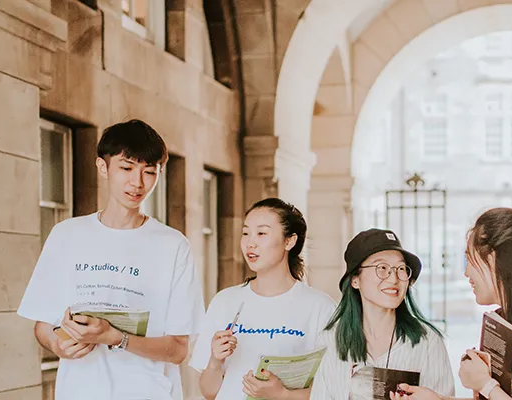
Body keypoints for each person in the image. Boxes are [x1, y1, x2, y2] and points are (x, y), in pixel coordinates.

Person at [17, 119, 205, 400]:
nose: (137, 182)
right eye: (126, 168)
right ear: (103, 167)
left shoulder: (173, 245)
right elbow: (43, 325)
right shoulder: (67, 235)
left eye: (149, 172)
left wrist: (116, 337)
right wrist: (57, 345)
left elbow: (178, 349)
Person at [392, 207, 512, 400]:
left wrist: (486, 384)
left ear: (494, 259)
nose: (466, 272)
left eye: (469, 259)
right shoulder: (504, 320)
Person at [189, 198, 336, 400]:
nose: (250, 243)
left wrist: (282, 394)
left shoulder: (320, 307)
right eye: (245, 233)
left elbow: (335, 389)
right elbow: (209, 392)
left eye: (261, 233)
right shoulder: (224, 301)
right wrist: (215, 361)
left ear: (289, 241)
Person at [310, 228, 455, 400]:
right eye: (382, 267)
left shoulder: (428, 342)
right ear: (355, 280)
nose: (393, 278)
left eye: (401, 268)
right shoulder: (330, 341)